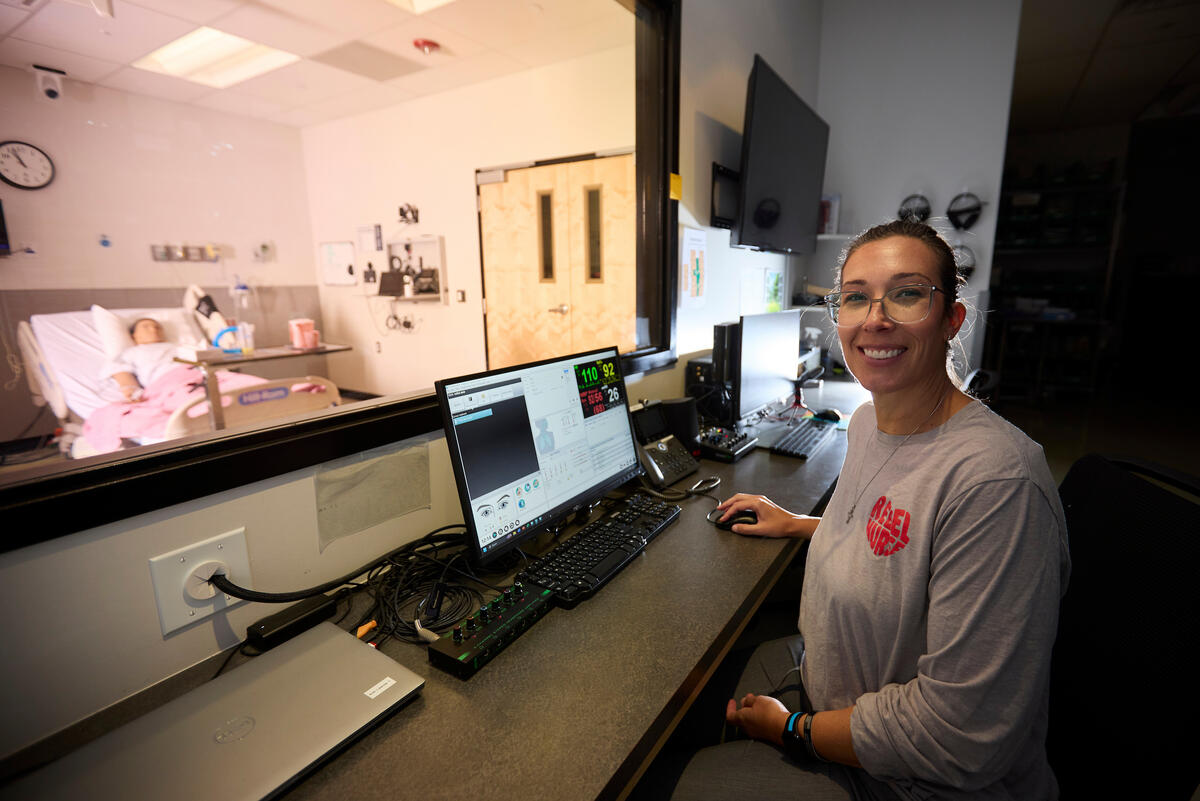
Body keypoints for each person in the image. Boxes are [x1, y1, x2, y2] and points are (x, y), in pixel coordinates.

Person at [671, 220, 1070, 801]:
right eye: (856, 297)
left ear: (951, 320)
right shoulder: (867, 422)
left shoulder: (996, 484)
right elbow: (896, 536)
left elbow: (959, 735)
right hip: (840, 695)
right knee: (693, 705)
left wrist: (793, 730)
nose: (875, 318)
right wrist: (804, 523)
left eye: (906, 293)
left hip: (910, 781)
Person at [104, 317, 181, 402]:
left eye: (157, 327)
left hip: (194, 373)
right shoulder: (132, 352)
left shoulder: (177, 347)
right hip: (168, 383)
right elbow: (118, 369)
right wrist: (131, 389)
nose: (153, 329)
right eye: (146, 327)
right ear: (134, 335)